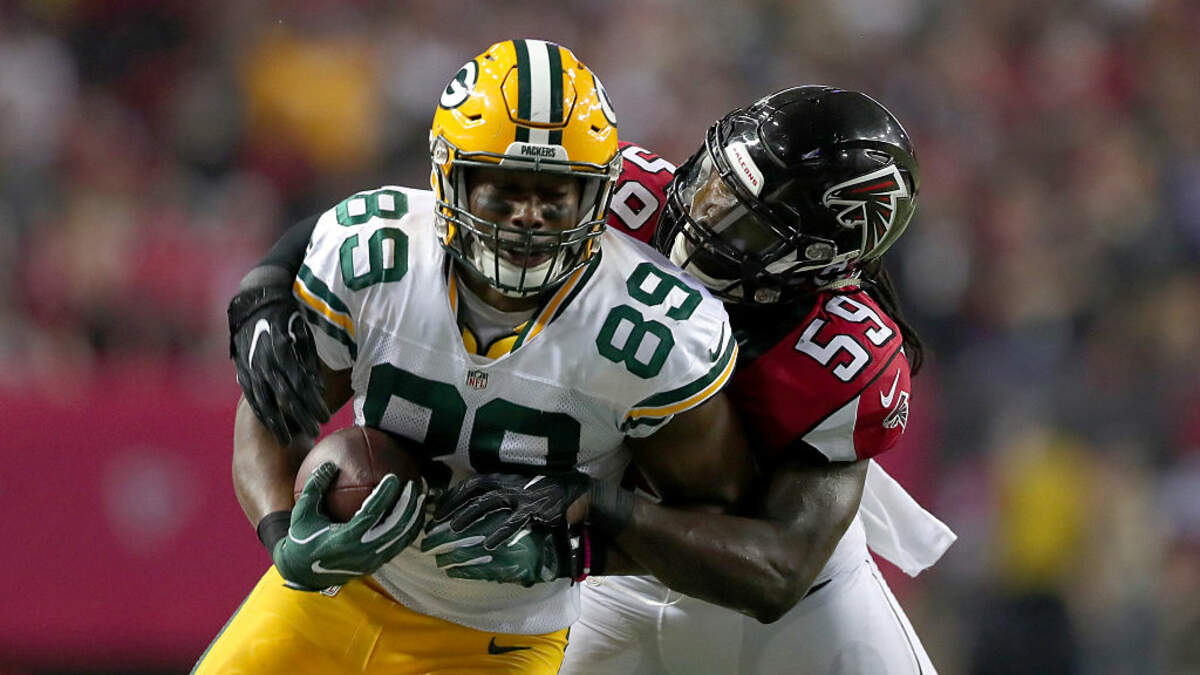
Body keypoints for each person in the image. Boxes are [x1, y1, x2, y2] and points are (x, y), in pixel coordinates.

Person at [229, 86, 955, 673]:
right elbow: (406, 219)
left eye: (747, 222)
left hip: (757, 593)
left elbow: (778, 571)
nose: (703, 212)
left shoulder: (843, 355)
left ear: (819, 260)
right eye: (714, 179)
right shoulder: (627, 193)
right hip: (605, 578)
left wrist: (589, 515)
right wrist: (264, 289)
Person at [196, 38, 750, 675]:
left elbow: (711, 520)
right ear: (447, 178)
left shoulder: (649, 329)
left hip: (500, 638)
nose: (529, 218)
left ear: (597, 195)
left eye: (555, 195)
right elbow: (272, 415)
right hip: (328, 596)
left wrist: (578, 545)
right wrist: (283, 536)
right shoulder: (380, 257)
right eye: (504, 191)